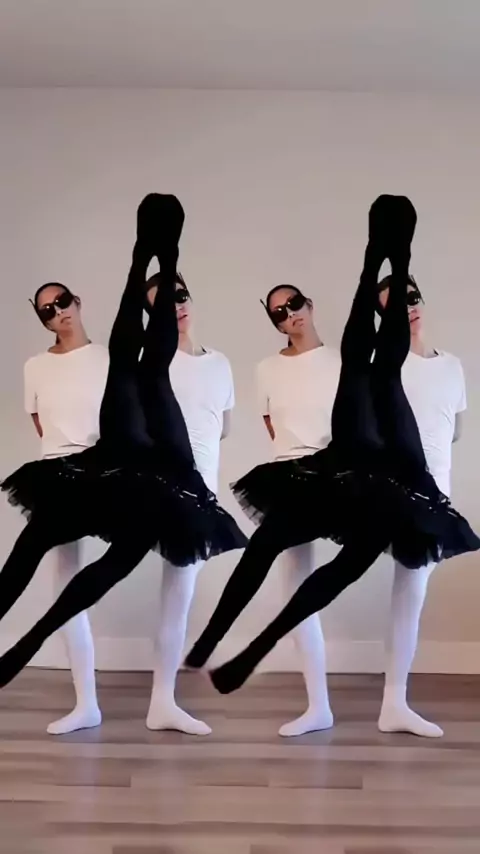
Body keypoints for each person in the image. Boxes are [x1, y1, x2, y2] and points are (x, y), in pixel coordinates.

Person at [185, 194, 479, 695]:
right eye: (279, 313)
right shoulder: (346, 363)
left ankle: (252, 652)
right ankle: (217, 639)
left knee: (347, 565)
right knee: (272, 542)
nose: (289, 315)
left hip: (398, 477)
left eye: (409, 298)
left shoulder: (438, 367)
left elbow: (447, 428)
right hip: (351, 463)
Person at [0, 193, 247, 689]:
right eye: (48, 309)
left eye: (176, 296)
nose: (58, 311)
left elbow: (214, 421)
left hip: (161, 467)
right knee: (36, 545)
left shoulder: (202, 364)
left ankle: (27, 645)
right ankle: (152, 253)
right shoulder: (104, 361)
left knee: (118, 559)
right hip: (119, 456)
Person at [143, 271, 236, 735]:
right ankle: (161, 702)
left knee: (178, 596)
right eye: (161, 304)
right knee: (175, 596)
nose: (175, 306)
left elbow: (222, 427)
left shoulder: (220, 364)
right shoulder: (149, 364)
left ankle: (162, 701)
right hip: (164, 491)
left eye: (179, 295)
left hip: (202, 495)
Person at [377, 273, 467, 737]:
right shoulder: (383, 366)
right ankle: (394, 703)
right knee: (409, 592)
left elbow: (453, 431)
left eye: (410, 297)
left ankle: (395, 702)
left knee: (412, 593)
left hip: (438, 496)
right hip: (400, 493)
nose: (407, 308)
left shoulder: (452, 366)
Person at [255, 284, 341, 736]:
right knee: (296, 593)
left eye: (294, 304)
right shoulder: (267, 370)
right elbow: (275, 428)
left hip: (341, 478)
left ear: (310, 304)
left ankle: (395, 698)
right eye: (278, 313)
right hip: (290, 481)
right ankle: (318, 706)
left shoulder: (344, 361)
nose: (290, 315)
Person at [25, 283, 108, 735]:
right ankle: (86, 703)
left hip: (108, 473)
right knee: (66, 588)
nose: (58, 312)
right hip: (58, 477)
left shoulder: (110, 358)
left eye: (62, 302)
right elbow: (43, 426)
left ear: (78, 302)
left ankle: (165, 696)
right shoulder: (35, 367)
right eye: (46, 311)